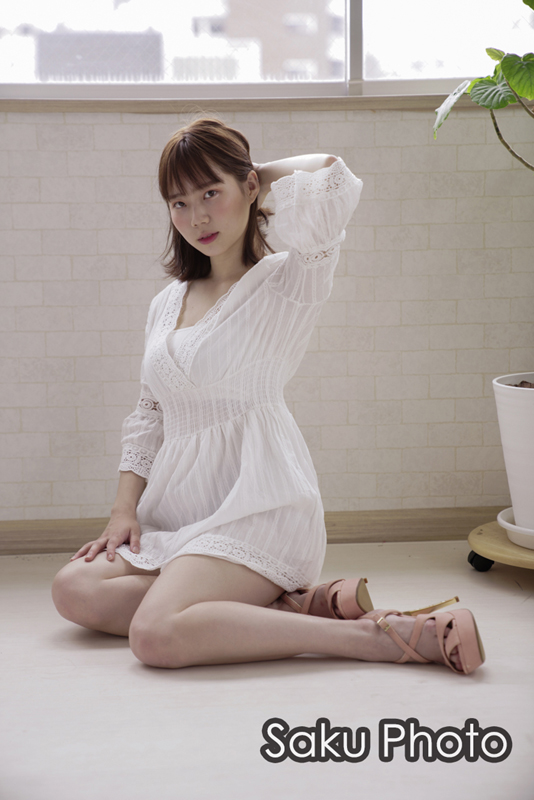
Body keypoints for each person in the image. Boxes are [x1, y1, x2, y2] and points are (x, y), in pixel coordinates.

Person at [51, 117, 485, 675]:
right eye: (179, 202)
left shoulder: (288, 280)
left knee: (154, 635)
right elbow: (149, 412)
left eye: (211, 193)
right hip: (180, 512)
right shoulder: (166, 303)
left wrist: (255, 173)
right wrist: (122, 511)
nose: (197, 217)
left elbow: (330, 174)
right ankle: (291, 607)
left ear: (250, 187)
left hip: (258, 507)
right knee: (74, 589)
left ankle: (381, 637)